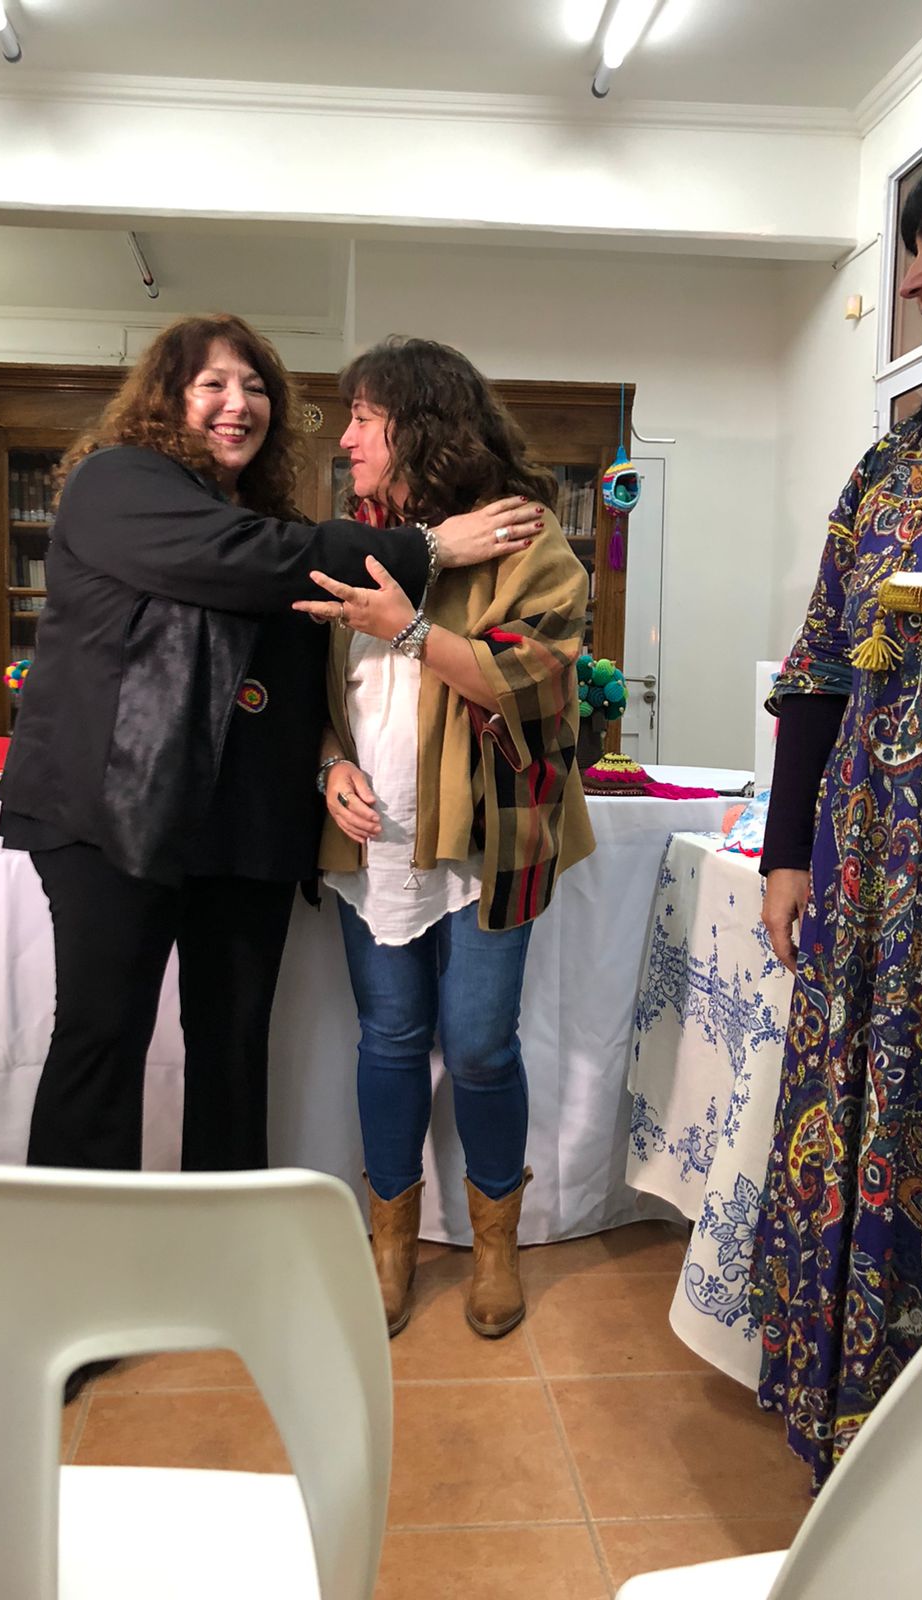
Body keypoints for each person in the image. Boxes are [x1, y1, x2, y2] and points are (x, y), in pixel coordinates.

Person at [0, 313, 544, 1180]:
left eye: (254, 388)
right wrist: (432, 546)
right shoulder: (117, 482)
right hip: (111, 811)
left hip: (241, 825)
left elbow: (301, 675)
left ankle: (227, 1242)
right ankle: (78, 1249)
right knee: (102, 1039)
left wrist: (327, 760)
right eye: (212, 384)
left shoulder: (272, 523)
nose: (238, 403)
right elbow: (245, 559)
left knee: (234, 1048)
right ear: (164, 399)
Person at [753, 126, 922, 1489]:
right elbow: (816, 669)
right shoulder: (891, 465)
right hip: (867, 887)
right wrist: (785, 853)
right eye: (909, 248)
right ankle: (862, 1447)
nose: (913, 276)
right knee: (865, 1134)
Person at [294, 336, 594, 1338]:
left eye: (363, 419)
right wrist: (328, 764)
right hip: (373, 845)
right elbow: (311, 689)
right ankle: (390, 1245)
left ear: (420, 428)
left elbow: (537, 682)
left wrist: (412, 628)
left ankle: (496, 1245)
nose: (346, 440)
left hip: (492, 840)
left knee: (477, 1045)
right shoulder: (353, 542)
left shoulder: (523, 537)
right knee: (387, 1041)